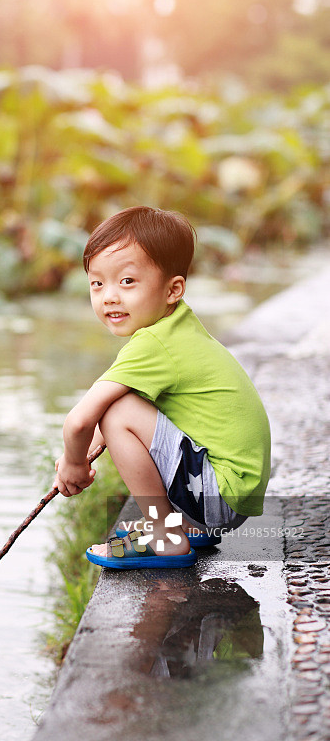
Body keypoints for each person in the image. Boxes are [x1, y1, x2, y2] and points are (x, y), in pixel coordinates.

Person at [53, 206, 271, 569]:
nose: (109, 296)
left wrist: (74, 463)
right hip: (232, 494)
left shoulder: (153, 345)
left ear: (173, 289)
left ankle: (164, 534)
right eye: (97, 283)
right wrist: (83, 450)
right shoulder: (178, 328)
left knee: (117, 412)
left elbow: (79, 421)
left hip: (218, 496)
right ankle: (184, 525)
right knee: (121, 403)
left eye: (127, 281)